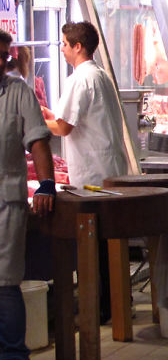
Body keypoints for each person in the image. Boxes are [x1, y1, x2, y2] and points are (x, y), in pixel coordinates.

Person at [46, 21, 129, 323]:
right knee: (107, 245)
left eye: (64, 44)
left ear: (78, 46)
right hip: (106, 171)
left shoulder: (80, 79)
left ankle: (101, 308)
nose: (62, 48)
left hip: (93, 177)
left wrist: (34, 122)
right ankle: (115, 303)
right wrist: (49, 117)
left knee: (95, 247)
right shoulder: (100, 75)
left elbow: (63, 127)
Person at [0, 31, 55, 360]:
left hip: (6, 200)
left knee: (5, 281)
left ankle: (13, 358)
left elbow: (36, 139)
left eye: (3, 56)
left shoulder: (18, 91)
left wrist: (47, 185)